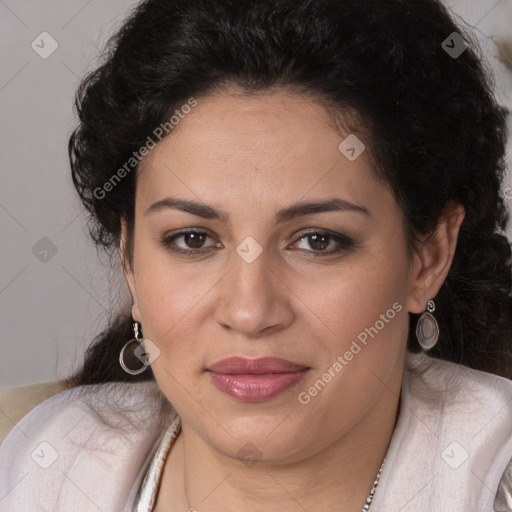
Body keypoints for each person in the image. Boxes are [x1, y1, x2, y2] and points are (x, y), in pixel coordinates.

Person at [1, 0, 511, 510]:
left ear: (428, 256)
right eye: (193, 239)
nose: (249, 312)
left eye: (318, 240)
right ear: (130, 259)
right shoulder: (50, 460)